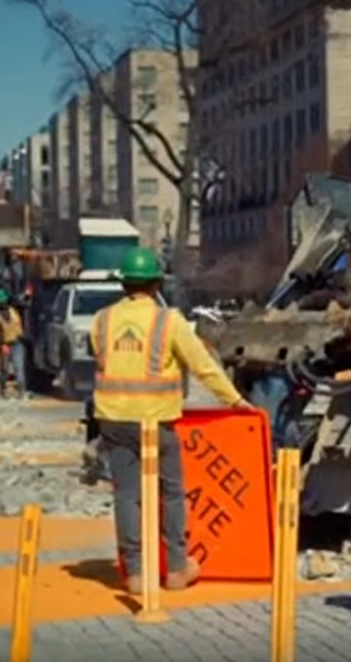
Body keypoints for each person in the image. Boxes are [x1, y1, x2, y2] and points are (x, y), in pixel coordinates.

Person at [90, 246, 252, 595]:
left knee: (127, 496)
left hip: (114, 420)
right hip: (155, 422)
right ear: (156, 284)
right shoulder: (169, 322)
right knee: (172, 494)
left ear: (124, 284)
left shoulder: (102, 320)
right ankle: (177, 569)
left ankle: (135, 574)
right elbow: (203, 366)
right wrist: (235, 401)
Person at [0, 291, 27, 400]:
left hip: (17, 342)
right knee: (4, 369)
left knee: (19, 368)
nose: (3, 305)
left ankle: (21, 391)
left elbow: (24, 303)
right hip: (5, 344)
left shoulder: (15, 310)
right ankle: (2, 389)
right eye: (1, 303)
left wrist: (26, 295)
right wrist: (2, 344)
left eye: (4, 303)